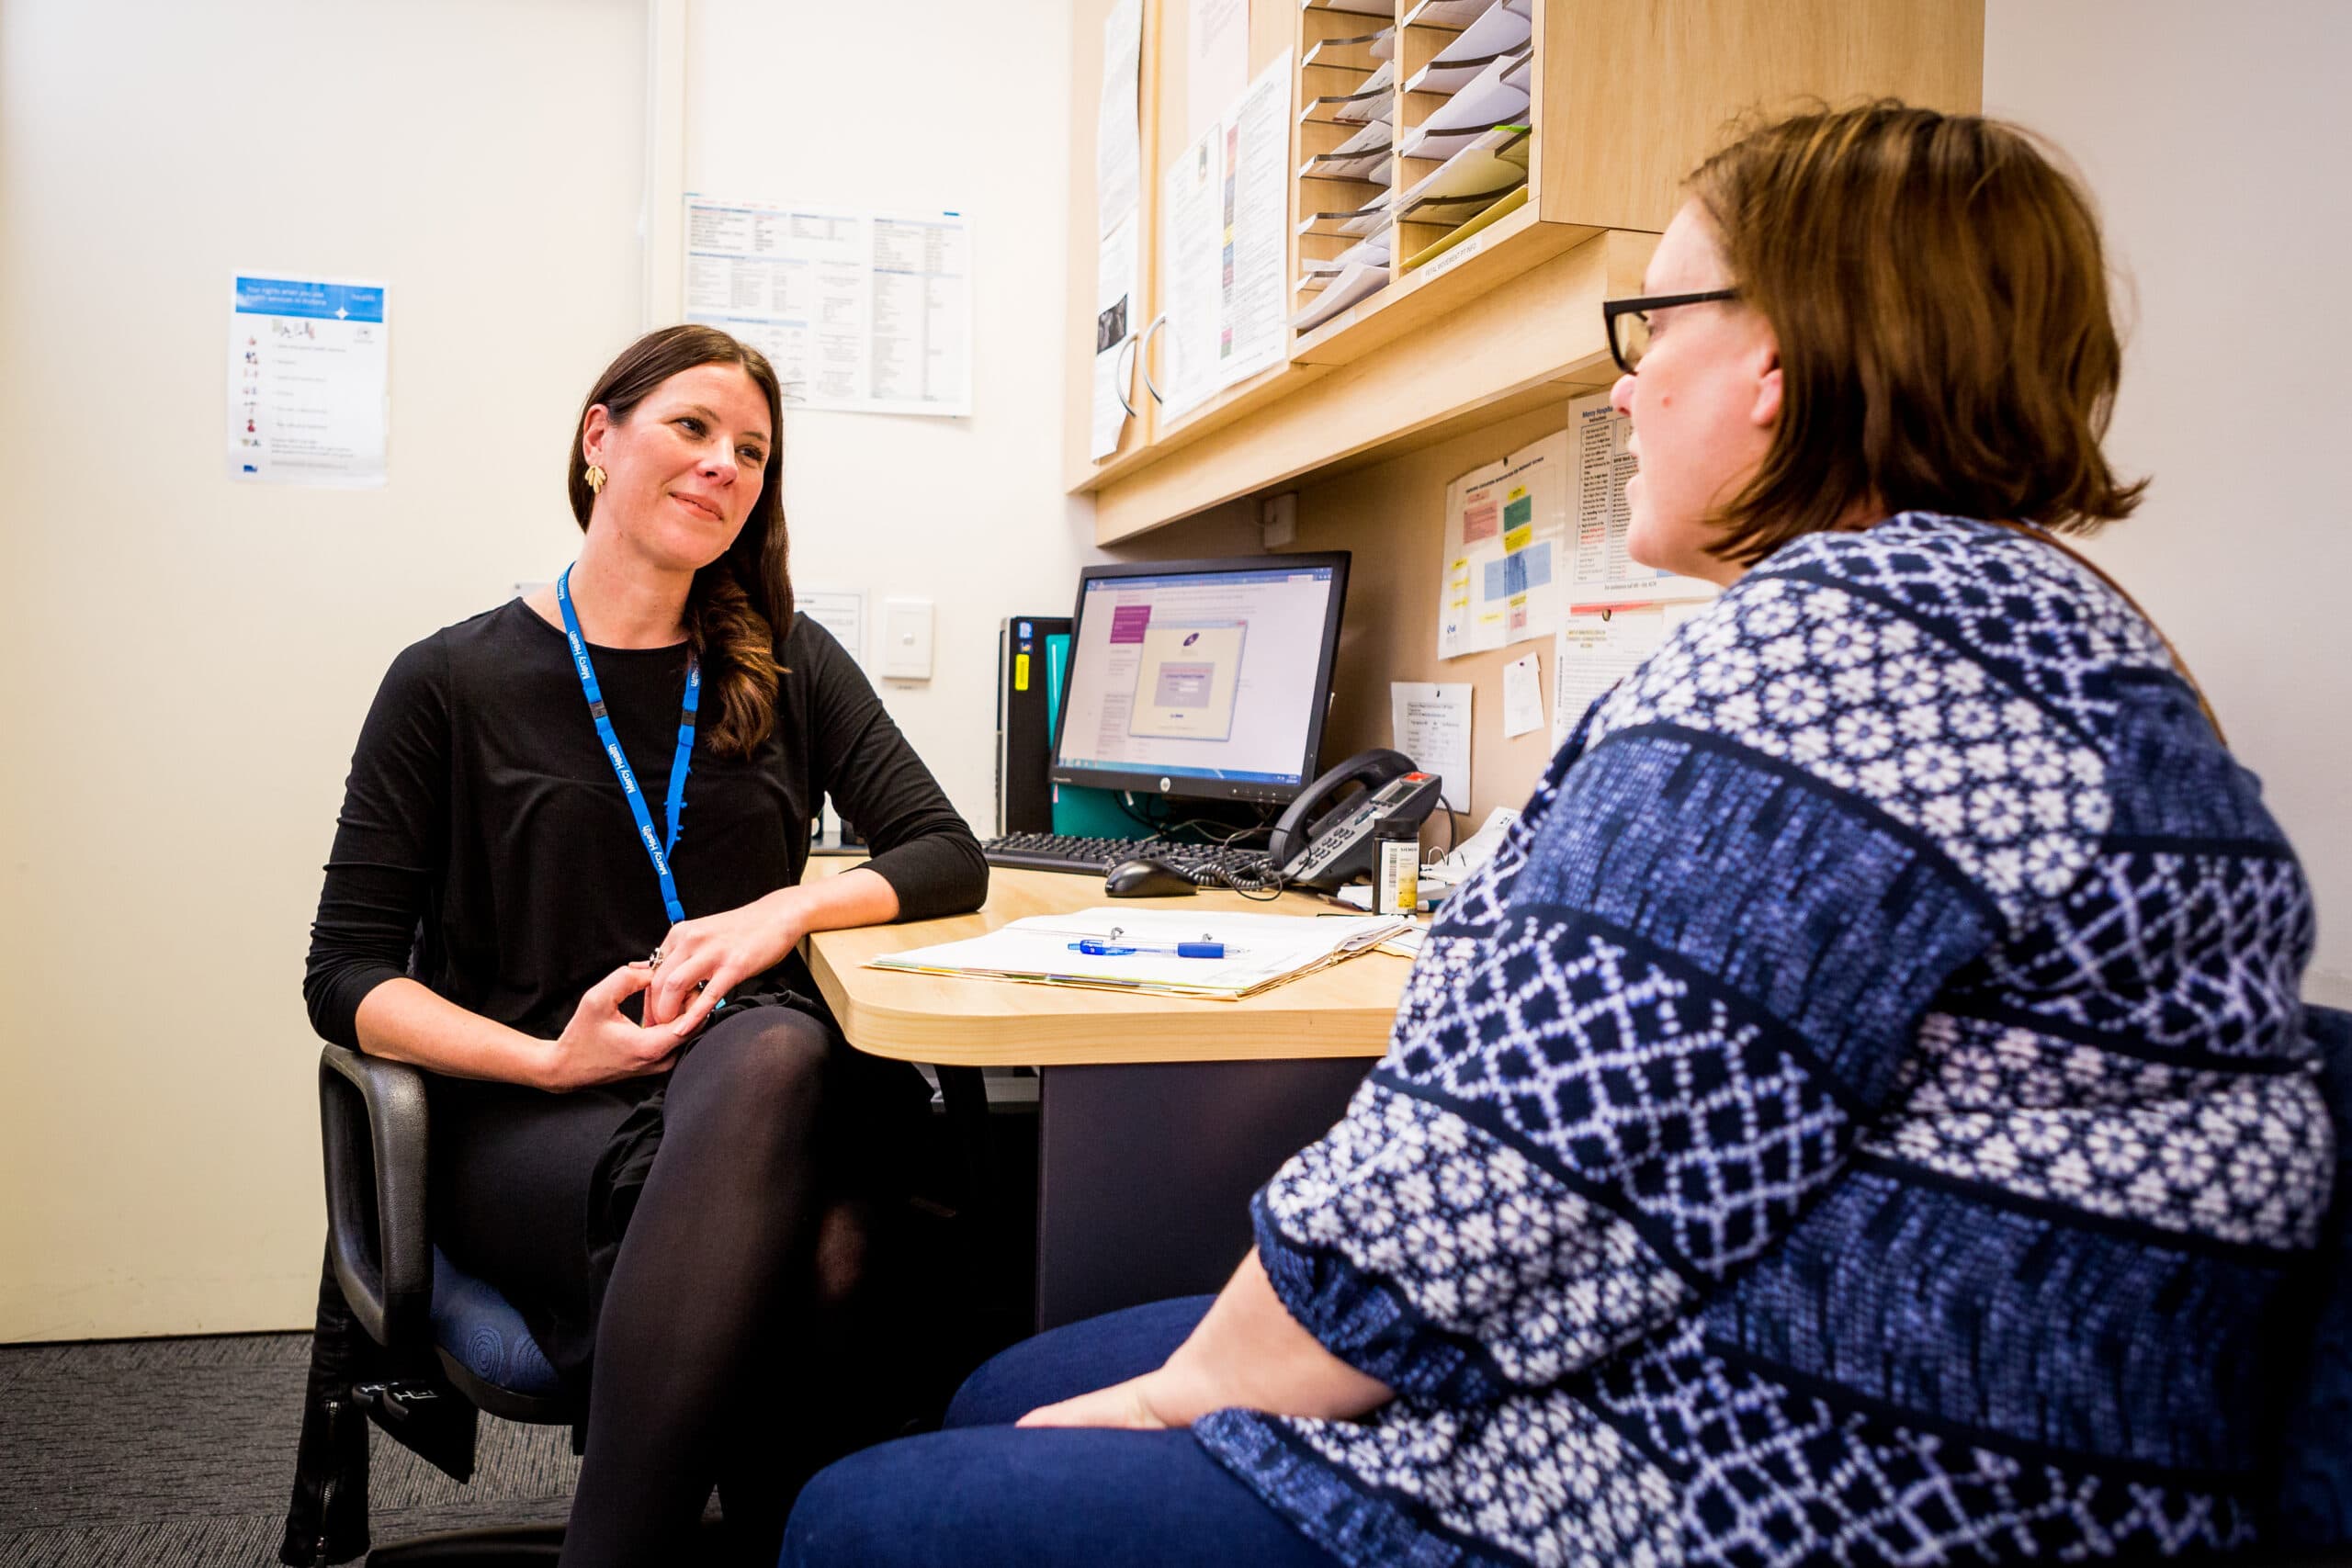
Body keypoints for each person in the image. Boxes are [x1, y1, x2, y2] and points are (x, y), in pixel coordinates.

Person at [779, 102, 2331, 1566]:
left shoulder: (1840, 656)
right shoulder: (2057, 634)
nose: (1621, 385)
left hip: (1796, 1476)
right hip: (1963, 1422)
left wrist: (1176, 1403)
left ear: (1777, 358)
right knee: (1013, 1395)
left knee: (875, 1510)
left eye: (1652, 325)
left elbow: (1497, 1160)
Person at [300, 323, 986, 1566]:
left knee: (776, 1059)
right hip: (532, 1116)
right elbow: (344, 977)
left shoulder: (788, 662)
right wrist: (551, 1063)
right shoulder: (448, 683)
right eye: (694, 427)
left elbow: (945, 853)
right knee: (824, 1234)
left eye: (753, 451)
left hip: (747, 1091)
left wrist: (788, 909)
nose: (726, 463)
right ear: (598, 437)